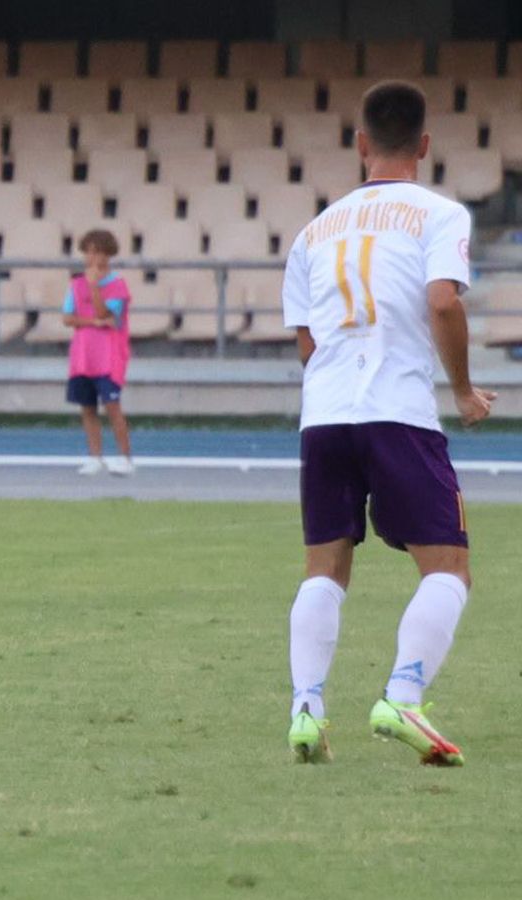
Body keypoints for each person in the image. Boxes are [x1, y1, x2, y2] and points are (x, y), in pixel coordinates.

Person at [281, 81, 495, 765]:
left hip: (324, 416)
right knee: (449, 568)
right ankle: (402, 695)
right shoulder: (440, 215)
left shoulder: (314, 231)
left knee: (325, 567)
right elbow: (442, 301)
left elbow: (307, 342)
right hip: (398, 413)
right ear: (425, 145)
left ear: (361, 144)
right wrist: (461, 389)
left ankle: (307, 711)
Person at [61, 229, 134, 476]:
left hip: (108, 357)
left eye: (96, 252)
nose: (91, 257)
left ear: (107, 255)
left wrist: (94, 288)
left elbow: (105, 314)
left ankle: (125, 457)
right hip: (83, 356)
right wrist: (91, 322)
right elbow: (68, 318)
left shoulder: (117, 285)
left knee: (112, 406)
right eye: (87, 252)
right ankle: (95, 456)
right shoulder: (76, 284)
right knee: (87, 407)